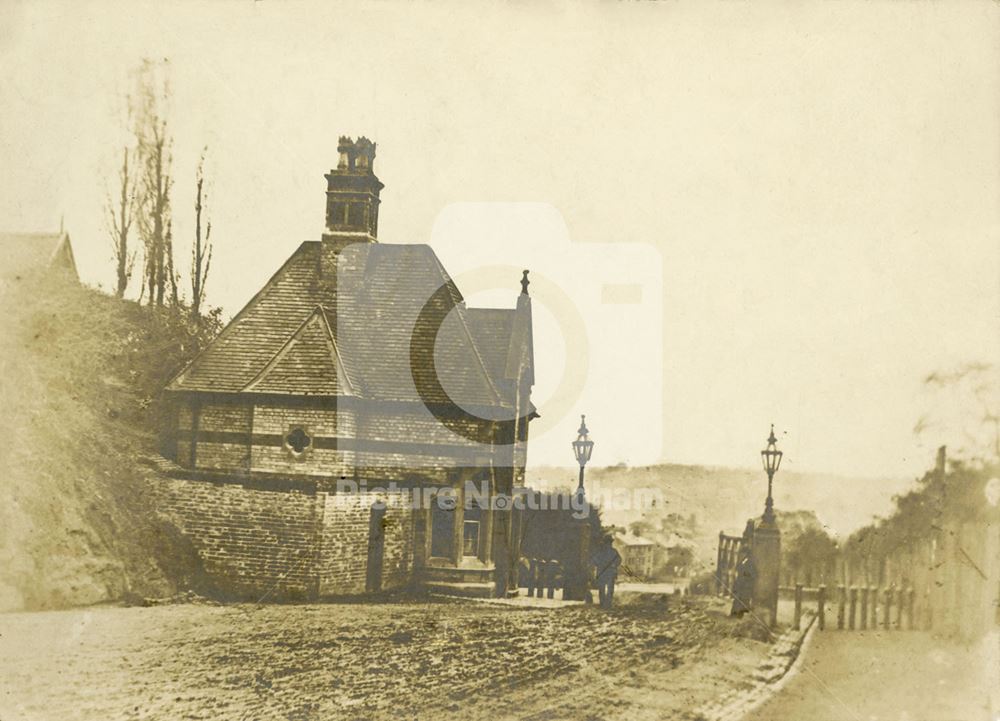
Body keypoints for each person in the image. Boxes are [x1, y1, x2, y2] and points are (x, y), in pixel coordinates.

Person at [591, 534, 622, 609]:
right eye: (607, 542)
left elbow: (619, 560)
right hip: (602, 573)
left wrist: (614, 564)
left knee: (610, 589)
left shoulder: (614, 552)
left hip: (609, 573)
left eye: (609, 543)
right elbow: (594, 560)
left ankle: (608, 603)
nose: (608, 544)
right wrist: (600, 564)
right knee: (602, 589)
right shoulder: (600, 552)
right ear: (605, 543)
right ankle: (603, 603)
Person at [730, 544, 755, 617]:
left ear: (746, 554)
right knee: (738, 598)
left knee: (743, 600)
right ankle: (734, 614)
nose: (742, 554)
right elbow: (738, 569)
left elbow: (753, 574)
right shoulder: (743, 561)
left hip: (745, 584)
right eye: (741, 553)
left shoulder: (749, 563)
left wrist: (745, 577)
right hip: (740, 583)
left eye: (743, 553)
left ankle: (739, 615)